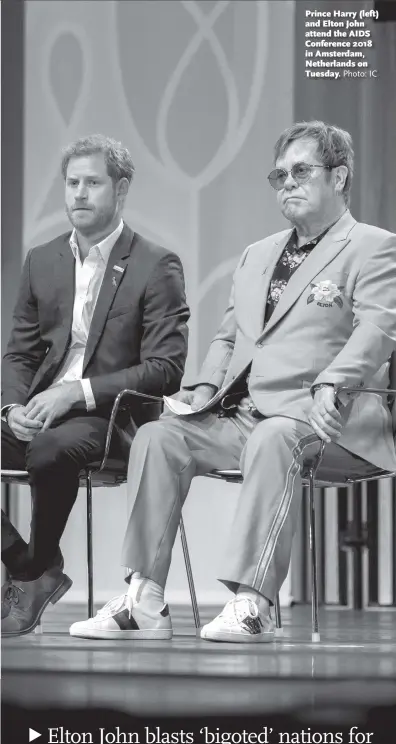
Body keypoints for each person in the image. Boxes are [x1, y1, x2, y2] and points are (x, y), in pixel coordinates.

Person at [70, 121, 396, 644]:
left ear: (339, 177)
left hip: (327, 417)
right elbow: (229, 339)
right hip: (246, 415)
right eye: (278, 175)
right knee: (159, 435)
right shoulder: (258, 253)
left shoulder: (375, 247)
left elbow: (378, 328)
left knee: (275, 438)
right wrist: (201, 391)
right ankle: (143, 599)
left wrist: (334, 381)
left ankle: (253, 603)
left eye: (301, 171)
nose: (286, 183)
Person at [1, 134, 190, 636]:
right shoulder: (43, 259)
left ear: (121, 189)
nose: (79, 194)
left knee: (49, 450)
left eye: (92, 183)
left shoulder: (155, 263)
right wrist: (12, 407)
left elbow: (165, 368)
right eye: (71, 183)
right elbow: (20, 352)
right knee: (37, 437)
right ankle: (30, 566)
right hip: (40, 410)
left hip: (111, 417)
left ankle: (35, 569)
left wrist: (77, 392)